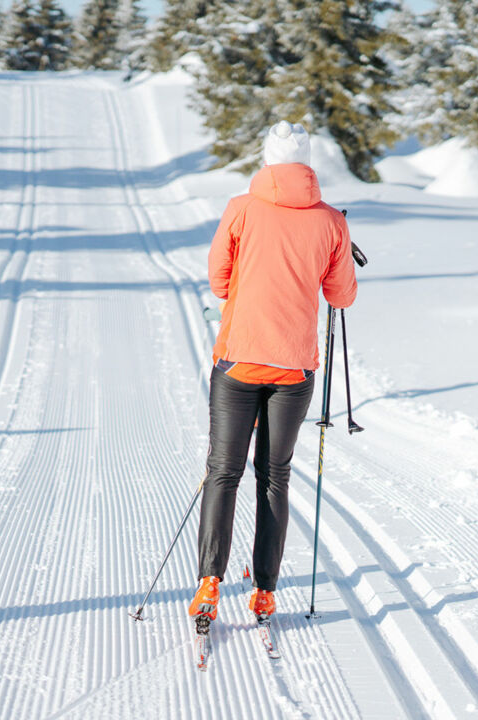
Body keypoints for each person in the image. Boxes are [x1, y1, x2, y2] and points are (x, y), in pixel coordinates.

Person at [189, 121, 358, 626]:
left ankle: (208, 583)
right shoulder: (331, 221)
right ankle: (265, 592)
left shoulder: (241, 209)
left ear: (266, 160)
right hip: (293, 372)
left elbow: (219, 280)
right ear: (307, 163)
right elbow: (341, 295)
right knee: (273, 477)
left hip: (239, 362)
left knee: (224, 471)